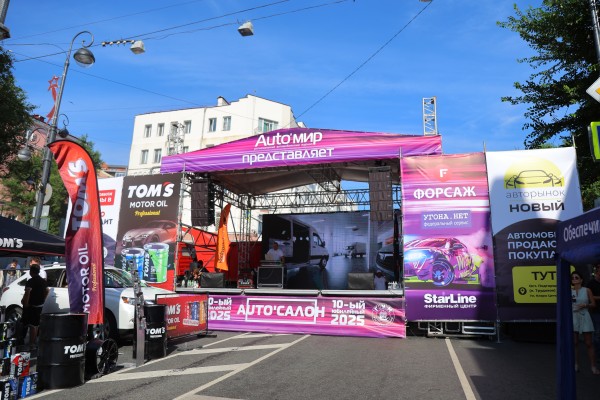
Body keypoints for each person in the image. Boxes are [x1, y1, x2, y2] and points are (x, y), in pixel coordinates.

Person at [571, 271, 599, 374]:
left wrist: (585, 305)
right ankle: (576, 365)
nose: (574, 279)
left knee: (588, 343)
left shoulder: (587, 290)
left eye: (576, 277)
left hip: (585, 315)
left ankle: (593, 366)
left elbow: (593, 304)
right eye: (573, 278)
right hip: (573, 316)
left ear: (581, 280)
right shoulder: (569, 291)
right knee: (574, 342)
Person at [20, 264, 49, 347]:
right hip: (39, 306)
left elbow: (27, 292)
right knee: (36, 325)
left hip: (31, 306)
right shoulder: (43, 281)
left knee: (30, 325)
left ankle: (30, 343)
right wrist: (43, 299)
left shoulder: (30, 281)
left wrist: (25, 303)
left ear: (31, 271)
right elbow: (47, 290)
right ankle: (33, 343)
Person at [587, 264, 600, 370]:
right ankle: (597, 355)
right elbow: (588, 296)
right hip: (596, 311)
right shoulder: (591, 283)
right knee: (597, 334)